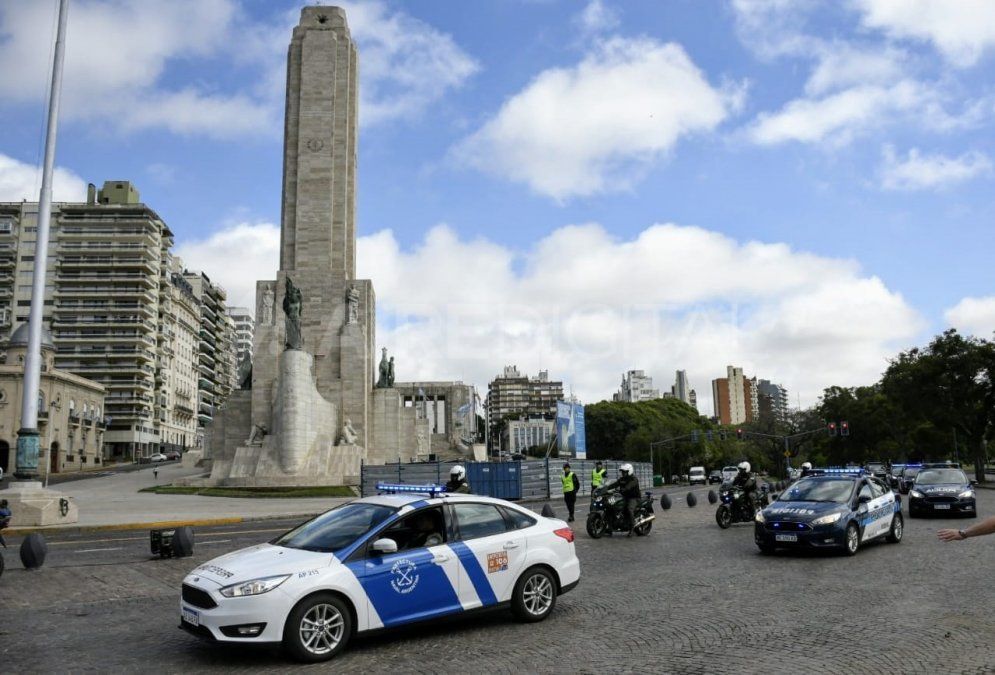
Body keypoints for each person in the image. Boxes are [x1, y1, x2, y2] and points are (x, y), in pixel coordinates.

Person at [602, 463, 641, 534]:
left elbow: (630, 485)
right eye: (622, 472)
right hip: (624, 497)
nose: (623, 473)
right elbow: (615, 484)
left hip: (634, 498)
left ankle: (632, 527)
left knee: (629, 509)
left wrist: (625, 489)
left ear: (629, 471)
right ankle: (610, 527)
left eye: (624, 472)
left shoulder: (634, 479)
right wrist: (606, 488)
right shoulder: (622, 479)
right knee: (611, 506)